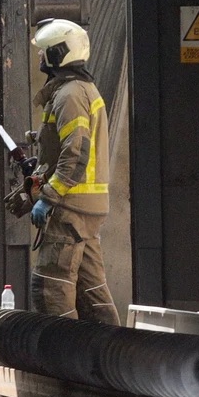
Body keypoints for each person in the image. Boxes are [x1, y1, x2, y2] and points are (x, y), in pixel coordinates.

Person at [22, 18, 118, 325]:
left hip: (69, 209)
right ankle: (116, 357)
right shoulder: (78, 90)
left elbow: (75, 155)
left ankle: (62, 364)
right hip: (84, 209)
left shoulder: (70, 96)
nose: (40, 57)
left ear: (58, 53)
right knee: (91, 294)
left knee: (51, 291)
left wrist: (47, 198)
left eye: (44, 51)